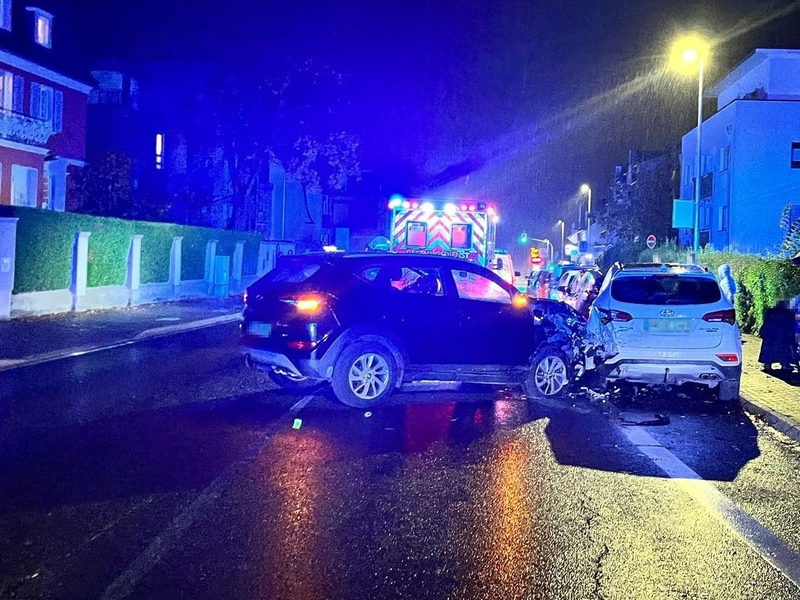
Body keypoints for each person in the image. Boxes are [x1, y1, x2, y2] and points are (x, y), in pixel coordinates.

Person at [759, 300, 799, 371]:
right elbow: (792, 325)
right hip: (783, 336)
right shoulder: (788, 313)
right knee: (784, 349)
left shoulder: (770, 312)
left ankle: (767, 364)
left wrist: (763, 332)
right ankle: (785, 365)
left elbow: (766, 323)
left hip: (770, 336)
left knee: (769, 349)